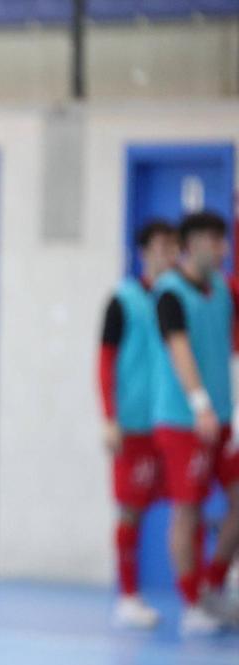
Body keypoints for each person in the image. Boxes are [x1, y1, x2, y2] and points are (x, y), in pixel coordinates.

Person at [151, 211, 237, 634]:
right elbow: (180, 349)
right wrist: (200, 403)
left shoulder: (223, 290)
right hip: (183, 421)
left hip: (223, 420)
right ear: (192, 245)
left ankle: (212, 586)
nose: (222, 249)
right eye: (214, 241)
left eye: (224, 240)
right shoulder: (169, 292)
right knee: (188, 509)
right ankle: (191, 604)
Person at [97, 219, 178, 628]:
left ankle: (197, 597)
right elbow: (106, 362)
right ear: (144, 250)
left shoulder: (179, 298)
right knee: (131, 510)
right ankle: (128, 596)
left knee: (188, 506)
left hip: (173, 420)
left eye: (174, 246)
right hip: (133, 424)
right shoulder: (123, 300)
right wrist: (111, 418)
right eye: (162, 244)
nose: (170, 253)